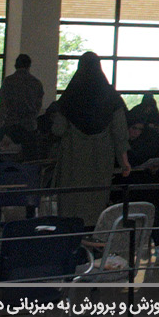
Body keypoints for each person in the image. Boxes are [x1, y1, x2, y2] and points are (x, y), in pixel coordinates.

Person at [46, 52, 129, 230]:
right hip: (101, 160)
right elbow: (120, 133)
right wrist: (124, 162)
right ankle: (94, 236)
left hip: (72, 160)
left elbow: (58, 130)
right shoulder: (112, 97)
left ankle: (71, 236)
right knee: (96, 201)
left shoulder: (69, 96)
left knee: (71, 203)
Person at [0, 54, 45, 131]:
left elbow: (3, 104)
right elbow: (38, 105)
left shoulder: (8, 81)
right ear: (29, 66)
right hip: (29, 125)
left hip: (11, 124)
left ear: (15, 65)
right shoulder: (36, 83)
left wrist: (0, 124)